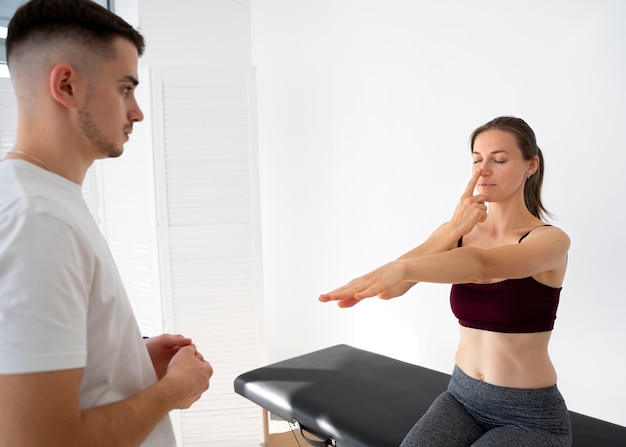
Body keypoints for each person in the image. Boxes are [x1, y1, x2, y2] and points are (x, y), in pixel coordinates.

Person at [0, 1, 213, 446]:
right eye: (124, 89)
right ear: (66, 85)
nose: (136, 111)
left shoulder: (41, 198)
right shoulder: (38, 220)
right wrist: (171, 391)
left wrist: (127, 361)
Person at [319, 116, 572, 446]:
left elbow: (479, 266)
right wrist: (454, 230)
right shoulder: (459, 232)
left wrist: (404, 268)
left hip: (528, 415)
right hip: (462, 397)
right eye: (477, 160)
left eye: (498, 159)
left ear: (531, 165)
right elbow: (392, 290)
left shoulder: (549, 242)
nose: (483, 171)